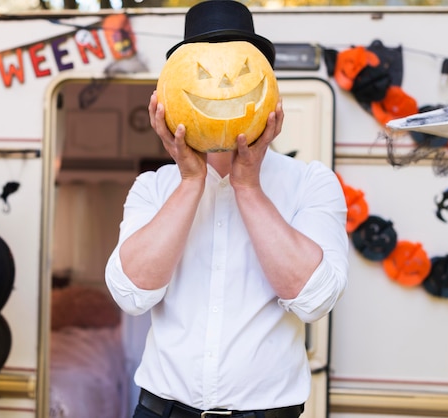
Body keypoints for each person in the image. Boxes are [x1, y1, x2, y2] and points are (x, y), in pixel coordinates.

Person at [105, 1, 348, 417]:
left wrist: (248, 187)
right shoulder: (152, 188)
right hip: (162, 409)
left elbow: (314, 300)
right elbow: (132, 294)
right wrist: (189, 182)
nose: (220, 84)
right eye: (202, 71)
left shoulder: (311, 182)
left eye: (238, 69)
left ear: (270, 93)